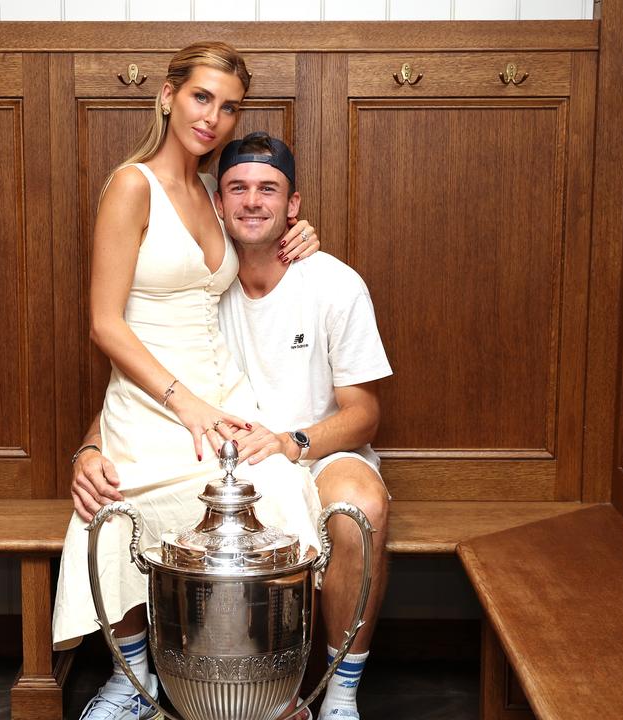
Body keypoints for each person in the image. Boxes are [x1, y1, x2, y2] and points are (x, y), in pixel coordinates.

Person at [73, 132, 393, 720]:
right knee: (116, 492)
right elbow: (134, 387)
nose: (252, 202)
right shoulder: (200, 289)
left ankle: (340, 695)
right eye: (237, 188)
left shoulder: (334, 284)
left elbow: (365, 413)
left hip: (313, 449)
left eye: (268, 189)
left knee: (359, 508)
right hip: (223, 457)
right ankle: (139, 684)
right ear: (217, 203)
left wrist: (290, 442)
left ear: (294, 205)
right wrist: (89, 449)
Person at [51, 43, 325, 720]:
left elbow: (261, 232)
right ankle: (134, 680)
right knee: (113, 515)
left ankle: (262, 684)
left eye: (229, 107)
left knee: (285, 490)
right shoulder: (131, 185)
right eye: (202, 97)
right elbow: (104, 324)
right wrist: (185, 405)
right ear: (169, 95)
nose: (214, 118)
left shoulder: (211, 189)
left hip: (224, 396)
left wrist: (302, 233)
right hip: (155, 401)